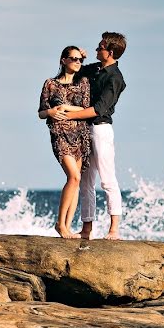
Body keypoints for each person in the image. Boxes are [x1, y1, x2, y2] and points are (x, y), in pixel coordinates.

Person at [57, 32, 127, 240]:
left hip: (100, 129)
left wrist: (70, 115)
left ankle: (114, 229)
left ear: (110, 52)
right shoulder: (95, 69)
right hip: (84, 129)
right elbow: (74, 70)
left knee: (107, 180)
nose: (97, 49)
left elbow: (99, 109)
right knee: (86, 181)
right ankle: (87, 228)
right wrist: (82, 58)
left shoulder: (115, 78)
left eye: (100, 47)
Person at [38, 46, 92, 239]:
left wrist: (66, 107)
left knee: (75, 181)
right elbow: (41, 112)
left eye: (80, 60)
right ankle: (60, 224)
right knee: (74, 177)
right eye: (73, 59)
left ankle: (67, 227)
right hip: (60, 134)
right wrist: (51, 112)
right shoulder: (50, 83)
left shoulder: (83, 82)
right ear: (63, 60)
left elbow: (86, 107)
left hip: (80, 134)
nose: (78, 62)